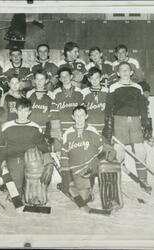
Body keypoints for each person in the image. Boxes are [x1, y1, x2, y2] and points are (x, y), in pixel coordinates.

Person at [103, 61, 152, 193]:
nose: (124, 71)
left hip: (135, 121)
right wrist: (108, 126)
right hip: (119, 121)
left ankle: (143, 181)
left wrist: (147, 125)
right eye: (121, 70)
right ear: (118, 73)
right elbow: (108, 109)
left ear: (131, 72)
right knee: (119, 153)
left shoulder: (138, 87)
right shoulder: (113, 87)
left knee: (141, 152)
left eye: (127, 69)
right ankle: (115, 183)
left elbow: (143, 108)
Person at [0, 98, 50, 197]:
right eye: (20, 110)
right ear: (16, 110)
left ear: (30, 112)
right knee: (17, 192)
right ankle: (12, 184)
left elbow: (42, 145)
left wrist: (48, 161)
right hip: (13, 158)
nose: (23, 114)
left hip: (30, 161)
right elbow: (0, 145)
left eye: (26, 111)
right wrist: (2, 160)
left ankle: (24, 184)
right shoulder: (7, 126)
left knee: (32, 192)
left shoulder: (35, 127)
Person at [60, 105, 103, 200]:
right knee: (76, 196)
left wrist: (93, 162)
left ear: (86, 116)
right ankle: (67, 186)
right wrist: (66, 174)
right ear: (73, 117)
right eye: (77, 115)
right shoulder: (68, 133)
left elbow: (100, 149)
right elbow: (64, 154)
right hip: (76, 169)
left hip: (90, 167)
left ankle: (88, 187)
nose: (79, 118)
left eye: (82, 115)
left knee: (84, 198)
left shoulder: (92, 130)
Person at [50, 67, 83, 155]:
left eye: (67, 76)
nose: (65, 78)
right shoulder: (56, 93)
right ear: (59, 79)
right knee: (60, 155)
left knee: (76, 154)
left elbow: (82, 114)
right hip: (61, 130)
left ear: (71, 76)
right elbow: (54, 114)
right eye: (62, 77)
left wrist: (79, 129)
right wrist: (57, 132)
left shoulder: (79, 92)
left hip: (75, 129)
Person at [82, 67, 108, 134]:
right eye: (92, 78)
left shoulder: (107, 91)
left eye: (97, 78)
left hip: (103, 123)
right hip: (89, 123)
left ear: (101, 78)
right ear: (89, 79)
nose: (94, 80)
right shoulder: (84, 92)